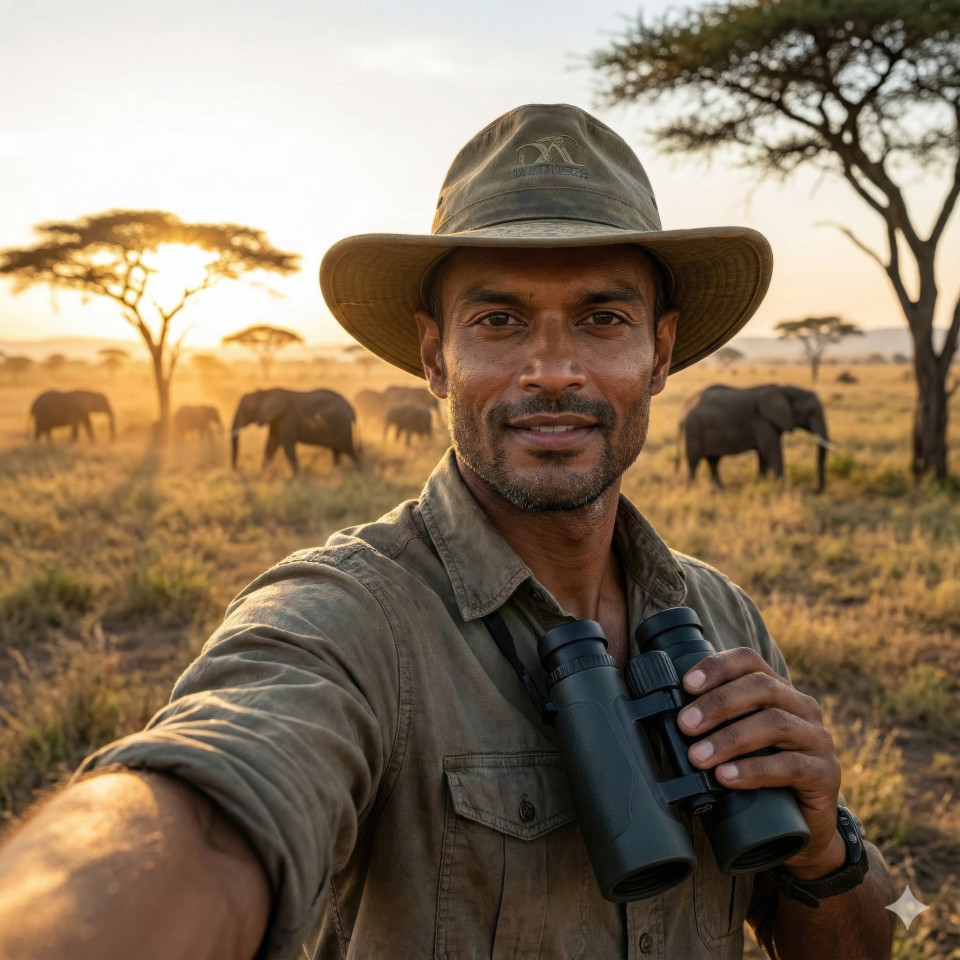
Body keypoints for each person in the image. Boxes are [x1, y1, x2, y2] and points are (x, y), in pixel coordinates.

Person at [0, 104, 896, 959]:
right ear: (435, 355)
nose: (552, 370)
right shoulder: (349, 619)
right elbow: (214, 799)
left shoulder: (723, 618)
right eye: (498, 321)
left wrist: (827, 847)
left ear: (659, 353)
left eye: (603, 319)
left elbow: (880, 933)